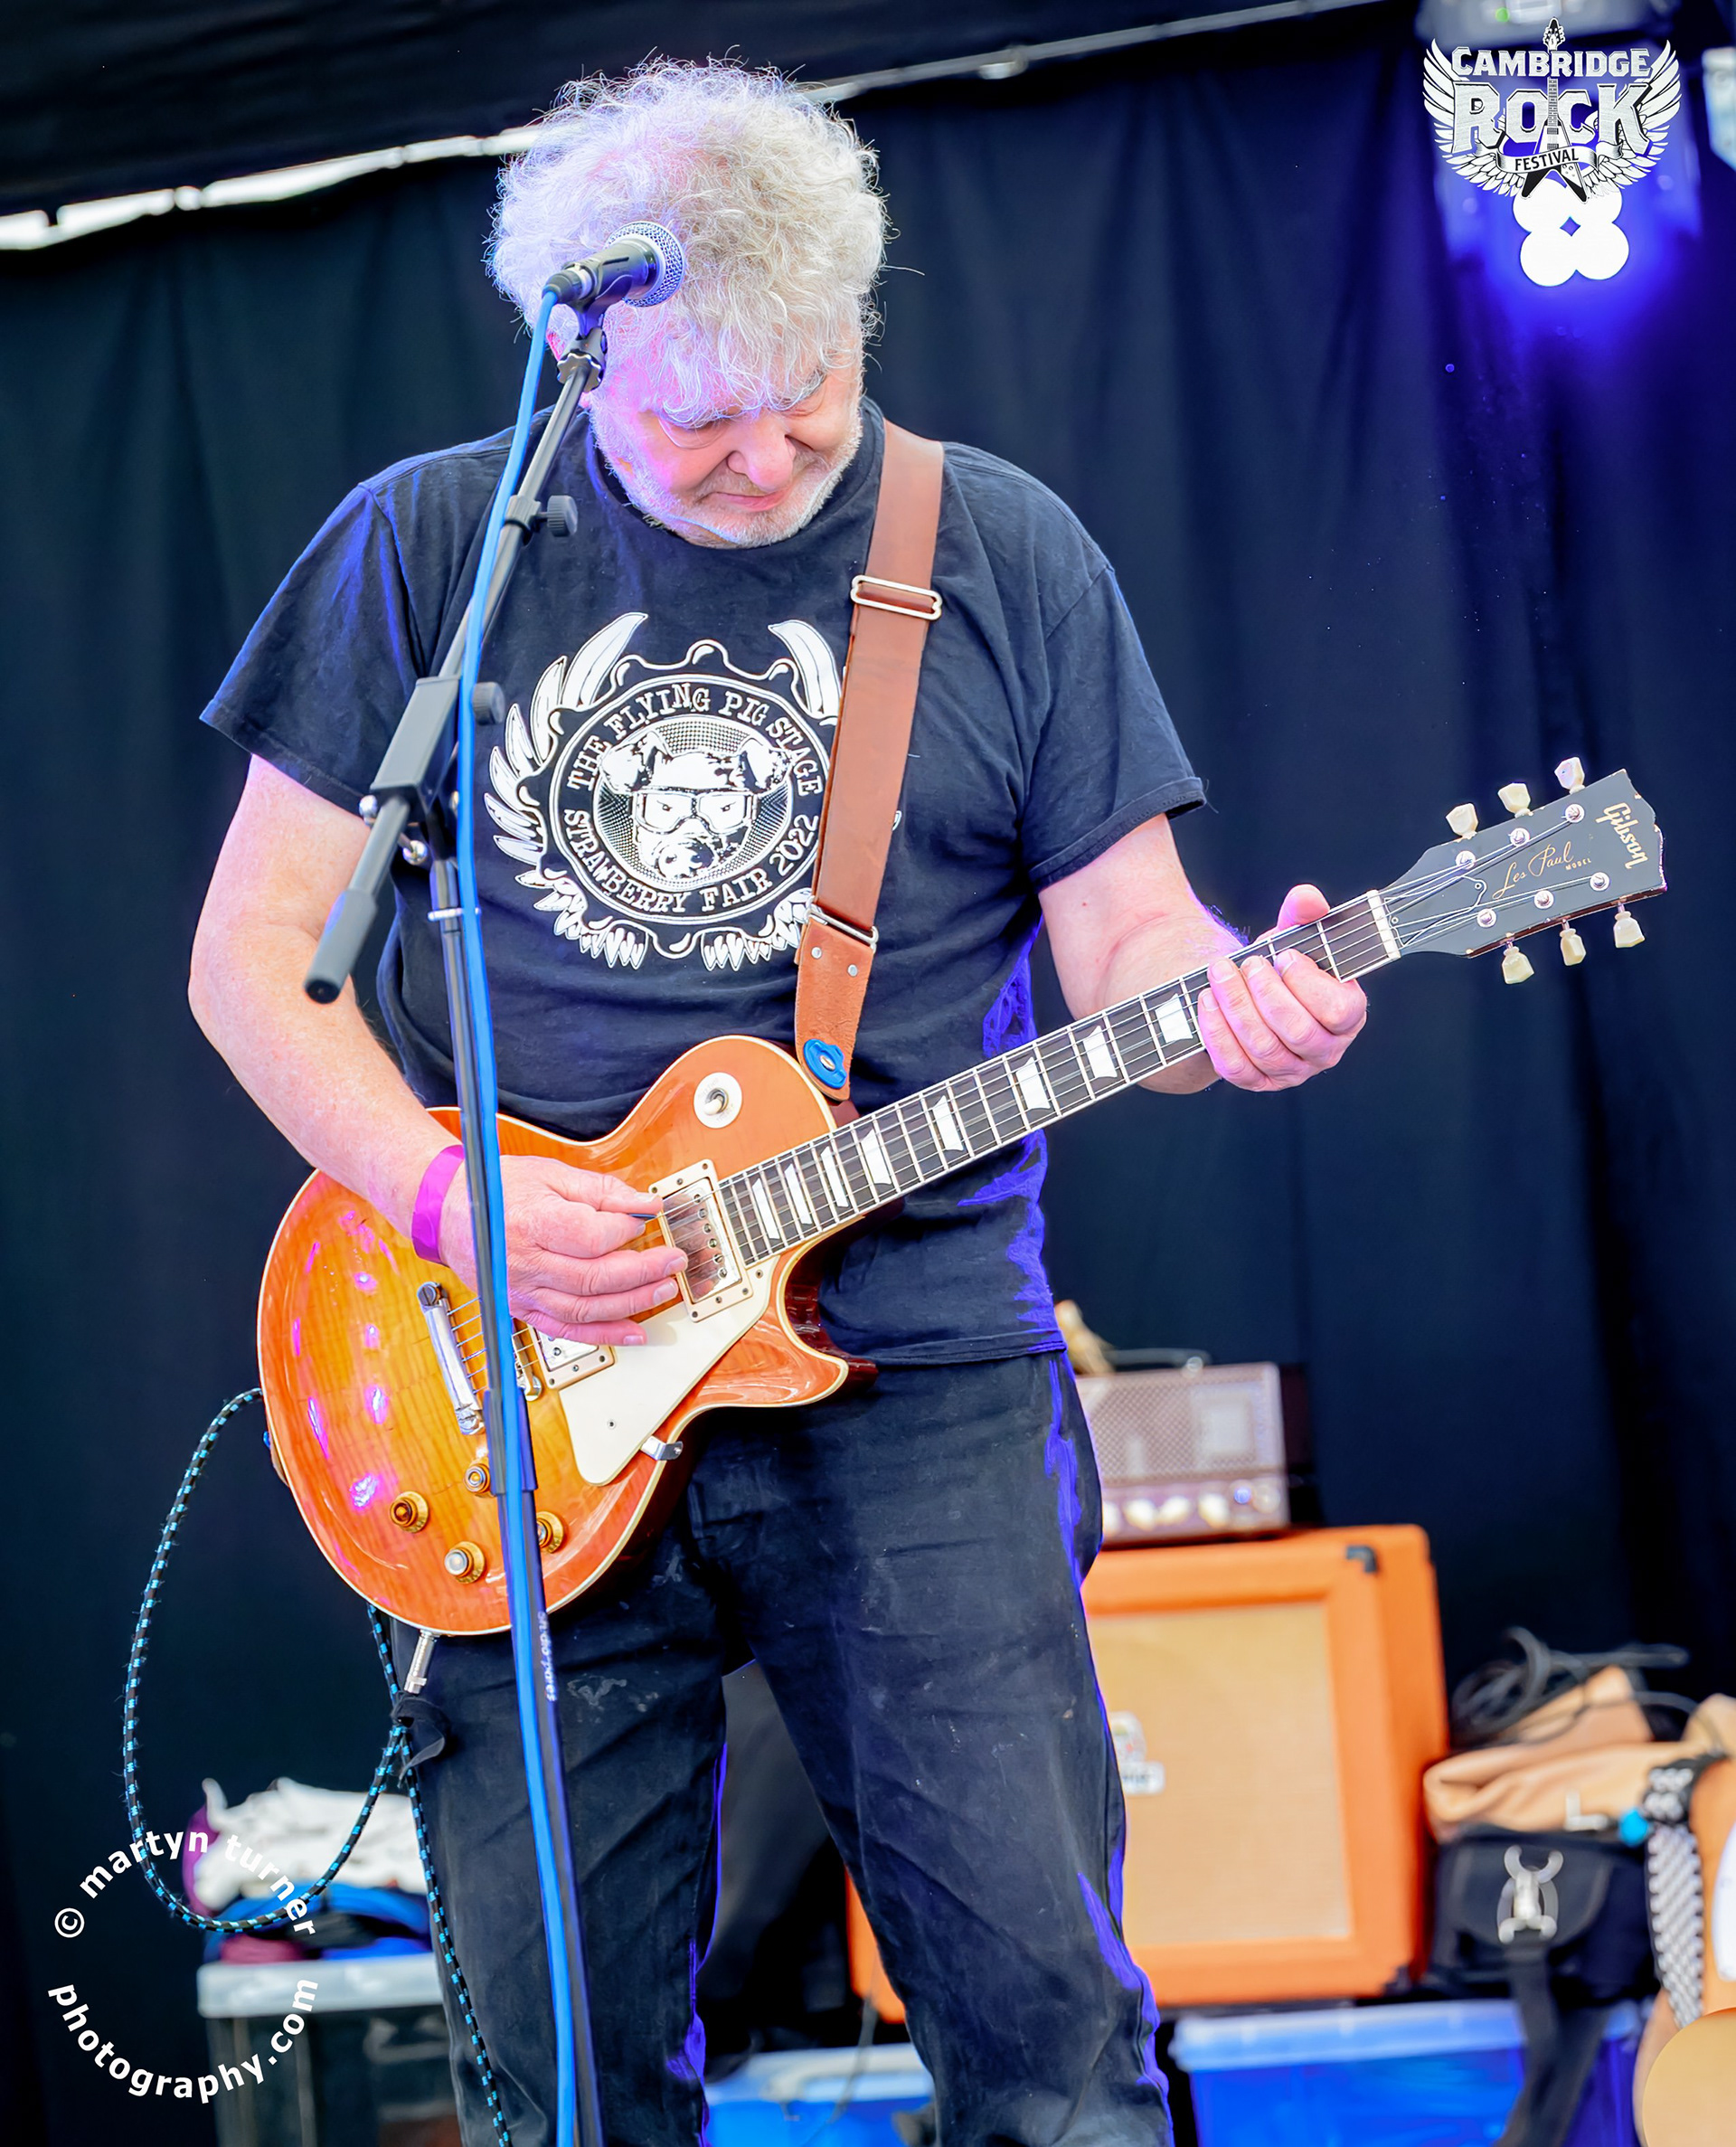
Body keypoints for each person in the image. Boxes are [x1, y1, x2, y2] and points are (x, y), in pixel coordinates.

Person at [189, 60, 1366, 2147]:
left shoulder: (997, 550)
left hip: (915, 1381)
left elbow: (1132, 946)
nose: (766, 453)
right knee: (564, 2082)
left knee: (1051, 2050)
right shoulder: (429, 552)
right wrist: (446, 1199)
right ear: (577, 362)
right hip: (521, 1390)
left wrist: (1234, 1009)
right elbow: (254, 957)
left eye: (808, 390)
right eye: (698, 421)